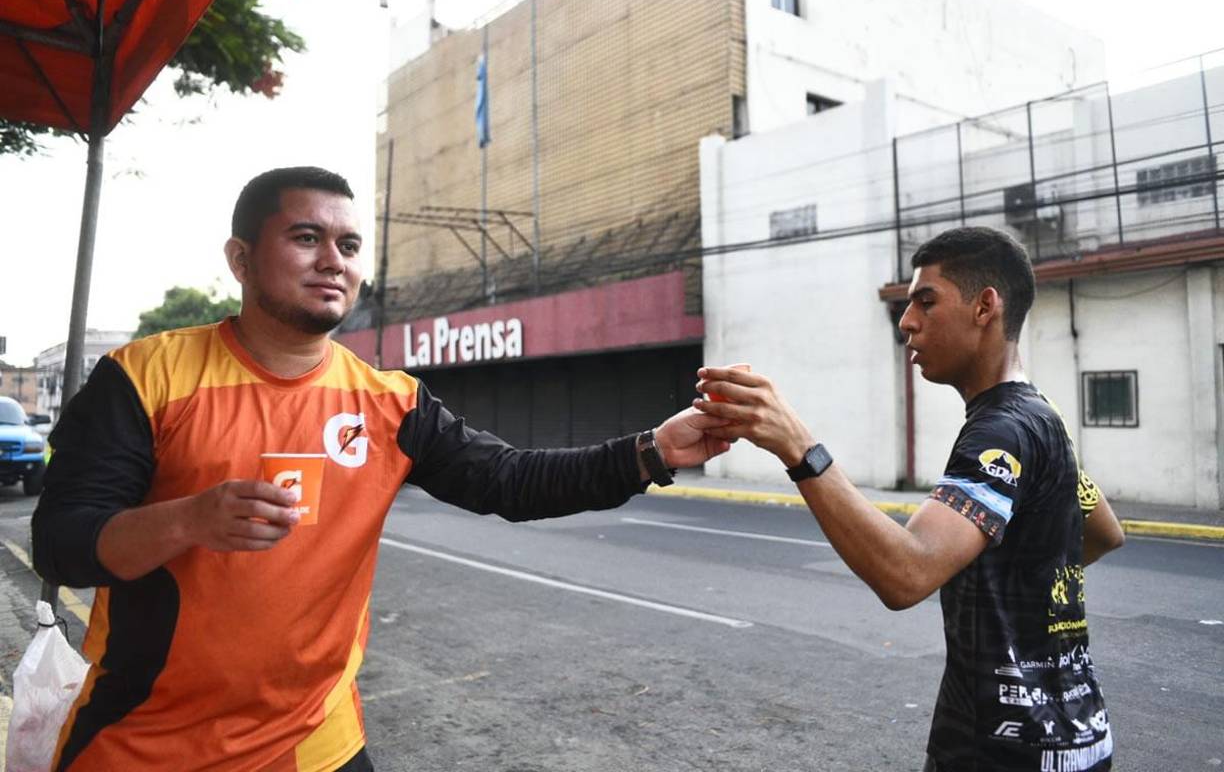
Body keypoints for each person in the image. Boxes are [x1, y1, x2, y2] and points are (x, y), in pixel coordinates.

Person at [31, 166, 730, 772]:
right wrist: (190, 517)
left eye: (350, 244)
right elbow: (62, 543)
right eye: (306, 238)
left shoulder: (391, 402)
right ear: (240, 259)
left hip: (316, 741)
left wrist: (654, 452)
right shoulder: (145, 376)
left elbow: (511, 481)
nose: (333, 259)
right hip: (147, 742)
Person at [696, 226, 1125, 771]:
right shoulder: (1044, 420)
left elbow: (906, 574)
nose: (907, 322)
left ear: (985, 307)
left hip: (1000, 751)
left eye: (926, 300)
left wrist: (797, 446)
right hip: (1079, 740)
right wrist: (1011, 575)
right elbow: (1105, 530)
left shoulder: (1000, 432)